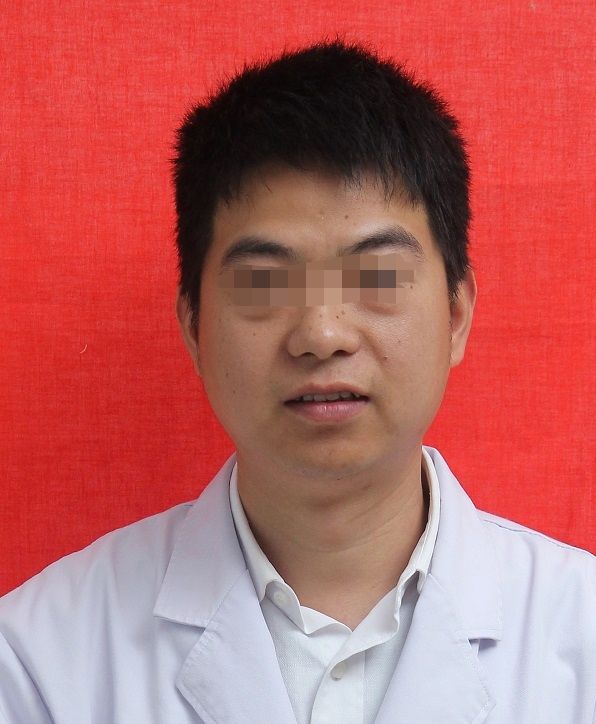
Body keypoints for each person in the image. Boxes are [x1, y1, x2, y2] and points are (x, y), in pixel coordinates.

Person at [0, 40, 594, 724]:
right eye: (264, 282)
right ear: (194, 326)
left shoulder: (581, 637)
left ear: (456, 315)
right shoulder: (40, 663)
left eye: (378, 277)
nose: (322, 333)